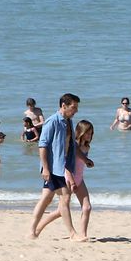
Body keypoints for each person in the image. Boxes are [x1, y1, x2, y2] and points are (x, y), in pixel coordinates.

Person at [29, 93, 83, 240]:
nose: (76, 110)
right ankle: (72, 233)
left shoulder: (68, 121)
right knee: (65, 197)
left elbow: (71, 144)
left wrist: (84, 158)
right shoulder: (52, 121)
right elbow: (42, 145)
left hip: (62, 166)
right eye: (74, 107)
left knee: (46, 199)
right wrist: (45, 168)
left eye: (77, 107)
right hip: (53, 168)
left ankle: (32, 231)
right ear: (64, 106)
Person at [35, 120, 95, 239]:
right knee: (61, 210)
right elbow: (66, 165)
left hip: (79, 179)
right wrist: (72, 181)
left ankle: (83, 234)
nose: (89, 135)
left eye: (91, 133)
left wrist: (87, 162)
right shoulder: (73, 146)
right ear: (81, 132)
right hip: (68, 178)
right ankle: (38, 227)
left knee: (87, 207)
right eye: (87, 132)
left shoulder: (86, 146)